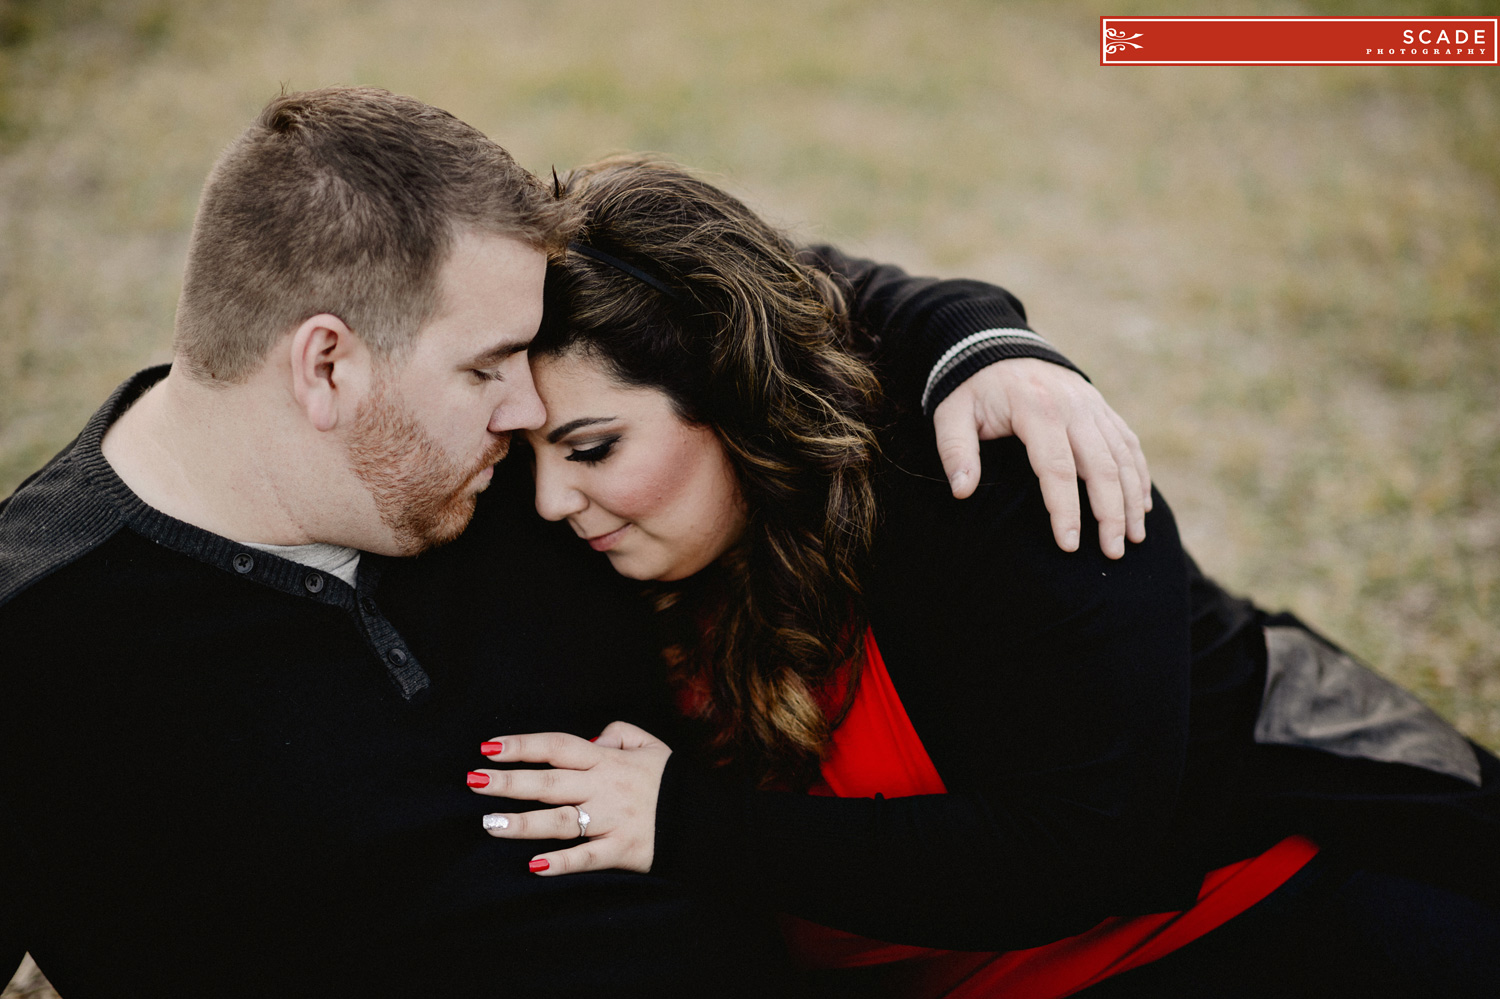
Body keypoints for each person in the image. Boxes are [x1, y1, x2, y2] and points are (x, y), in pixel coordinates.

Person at [0, 88, 1151, 997]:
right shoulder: (40, 643)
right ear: (328, 365)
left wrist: (982, 343)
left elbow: (746, 309)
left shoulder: (485, 468)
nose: (526, 412)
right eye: (488, 368)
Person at [468, 157, 1500, 997]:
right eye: (531, 458)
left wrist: (683, 822)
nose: (553, 501)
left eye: (595, 448)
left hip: (1239, 920)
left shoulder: (1001, 485)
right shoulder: (594, 533)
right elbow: (792, 274)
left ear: (735, 395)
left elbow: (1068, 850)